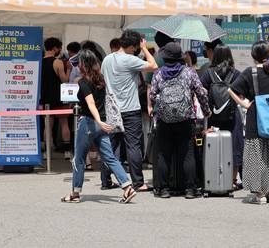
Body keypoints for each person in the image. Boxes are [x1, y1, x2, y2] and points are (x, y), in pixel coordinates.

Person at [61, 50, 136, 204]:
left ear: (83, 64)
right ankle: (127, 186)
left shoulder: (84, 82)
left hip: (89, 123)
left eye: (80, 62)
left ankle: (75, 193)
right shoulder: (100, 79)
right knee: (110, 157)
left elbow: (90, 104)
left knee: (79, 159)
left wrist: (97, 120)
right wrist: (102, 122)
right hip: (102, 124)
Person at [150, 42, 211, 199]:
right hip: (185, 119)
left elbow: (152, 95)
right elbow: (201, 92)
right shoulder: (189, 72)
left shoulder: (158, 74)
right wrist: (206, 111)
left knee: (164, 154)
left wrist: (161, 106)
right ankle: (190, 189)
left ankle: (163, 189)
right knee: (187, 154)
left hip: (164, 120)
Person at [228, 41, 269, 204]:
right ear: (267, 55)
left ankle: (259, 194)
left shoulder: (250, 72)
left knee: (256, 154)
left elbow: (231, 90)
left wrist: (245, 104)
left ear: (253, 56)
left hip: (256, 115)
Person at [100, 30, 158, 192]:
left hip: (112, 109)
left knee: (110, 146)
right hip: (130, 109)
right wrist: (145, 49)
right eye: (136, 47)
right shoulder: (130, 60)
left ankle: (105, 181)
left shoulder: (107, 59)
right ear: (132, 46)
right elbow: (154, 65)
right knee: (133, 146)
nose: (136, 50)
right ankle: (138, 183)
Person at [200, 45, 244, 189]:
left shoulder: (208, 73)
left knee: (213, 145)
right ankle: (231, 180)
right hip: (233, 116)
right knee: (235, 147)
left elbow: (201, 92)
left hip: (213, 116)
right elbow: (242, 94)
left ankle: (214, 177)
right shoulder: (236, 74)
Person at [40, 37, 73, 160]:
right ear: (55, 48)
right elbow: (64, 80)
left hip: (45, 97)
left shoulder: (40, 62)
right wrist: (69, 69)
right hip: (59, 96)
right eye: (59, 48)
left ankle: (47, 152)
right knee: (64, 123)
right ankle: (67, 152)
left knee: (47, 124)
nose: (60, 50)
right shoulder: (58, 62)